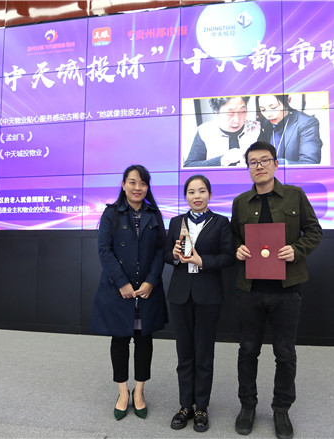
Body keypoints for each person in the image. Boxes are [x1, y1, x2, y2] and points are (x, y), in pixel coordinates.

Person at [230, 142, 323, 439]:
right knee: (248, 350)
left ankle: (281, 409)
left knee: (284, 353)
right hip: (250, 289)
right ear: (248, 168)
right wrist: (238, 249)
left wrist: (296, 250)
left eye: (264, 160)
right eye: (253, 162)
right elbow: (233, 238)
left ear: (275, 164)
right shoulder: (241, 202)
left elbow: (315, 231)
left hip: (287, 289)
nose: (259, 166)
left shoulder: (295, 195)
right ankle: (248, 406)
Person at [90, 164, 168, 421]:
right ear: (123, 185)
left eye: (143, 183)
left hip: (147, 289)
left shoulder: (153, 214)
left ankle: (140, 391)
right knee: (120, 340)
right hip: (118, 289)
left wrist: (151, 281)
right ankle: (123, 392)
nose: (137, 187)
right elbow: (104, 250)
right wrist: (122, 283)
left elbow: (160, 251)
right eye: (132, 182)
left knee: (145, 340)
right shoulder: (111, 213)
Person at [164, 175, 235, 432]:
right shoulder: (176, 222)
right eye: (192, 192)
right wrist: (173, 255)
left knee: (204, 353)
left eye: (202, 191)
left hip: (208, 295)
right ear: (186, 196)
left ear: (210, 195)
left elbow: (228, 257)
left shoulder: (221, 222)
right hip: (180, 294)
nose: (197, 196)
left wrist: (202, 261)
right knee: (184, 353)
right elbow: (165, 253)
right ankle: (185, 405)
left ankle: (202, 407)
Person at [184, 96, 260, 167]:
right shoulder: (205, 131)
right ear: (216, 112)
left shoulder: (257, 128)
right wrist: (222, 160)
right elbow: (189, 165)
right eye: (230, 113)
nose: (237, 120)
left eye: (242, 112)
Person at [256, 94, 322, 165]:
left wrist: (276, 163)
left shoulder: (306, 123)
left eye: (273, 108)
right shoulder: (266, 123)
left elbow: (310, 163)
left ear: (288, 100)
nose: (268, 115)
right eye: (263, 110)